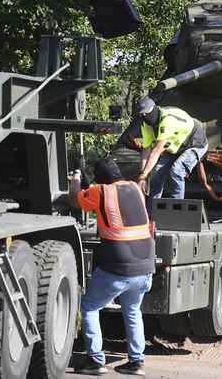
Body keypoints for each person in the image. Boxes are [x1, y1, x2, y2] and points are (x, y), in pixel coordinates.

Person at [69, 156, 154, 376]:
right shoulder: (136, 189)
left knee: (88, 307)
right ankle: (136, 363)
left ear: (101, 180)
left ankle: (95, 361)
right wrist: (93, 184)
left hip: (118, 268)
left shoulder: (101, 192)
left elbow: (74, 199)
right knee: (133, 311)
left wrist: (77, 173)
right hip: (144, 268)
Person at [136, 98, 208, 217]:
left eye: (146, 113)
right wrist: (142, 176)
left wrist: (144, 175)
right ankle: (151, 215)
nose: (144, 116)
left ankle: (176, 212)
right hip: (176, 147)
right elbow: (146, 151)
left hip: (195, 143)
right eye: (141, 115)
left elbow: (156, 150)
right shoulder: (146, 125)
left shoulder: (168, 120)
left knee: (177, 171)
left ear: (154, 109)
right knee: (157, 172)